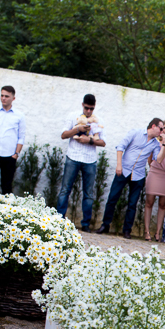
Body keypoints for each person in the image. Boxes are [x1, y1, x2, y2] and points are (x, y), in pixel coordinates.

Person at [96, 118, 163, 238]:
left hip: (138, 175)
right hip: (124, 170)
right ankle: (105, 225)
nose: (162, 131)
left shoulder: (155, 144)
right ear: (154, 126)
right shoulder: (135, 133)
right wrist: (119, 165)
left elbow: (158, 159)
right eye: (161, 128)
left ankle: (127, 230)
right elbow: (120, 147)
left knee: (132, 204)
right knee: (112, 198)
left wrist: (164, 144)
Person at [56, 94, 106, 229]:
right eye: (86, 108)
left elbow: (103, 142)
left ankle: (85, 224)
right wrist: (77, 129)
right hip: (73, 156)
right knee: (65, 190)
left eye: (91, 109)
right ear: (82, 105)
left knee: (88, 194)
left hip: (90, 160)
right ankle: (59, 220)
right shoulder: (73, 116)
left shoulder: (98, 120)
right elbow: (63, 135)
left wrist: (89, 140)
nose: (89, 111)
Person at [143, 120, 165, 241]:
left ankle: (157, 233)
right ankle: (146, 231)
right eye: (163, 128)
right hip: (154, 172)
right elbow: (150, 159)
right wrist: (153, 167)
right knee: (149, 202)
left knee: (162, 204)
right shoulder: (155, 141)